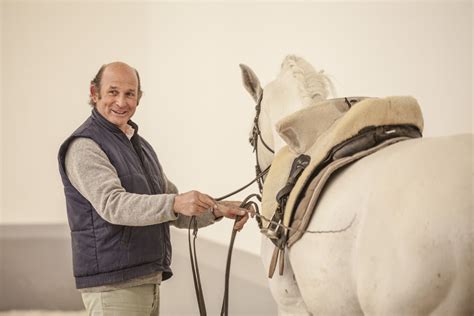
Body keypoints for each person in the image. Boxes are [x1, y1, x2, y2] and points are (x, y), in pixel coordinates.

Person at [57, 61, 250, 315]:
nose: (122, 102)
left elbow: (171, 203)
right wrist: (174, 203)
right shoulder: (85, 146)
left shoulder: (140, 146)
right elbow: (114, 205)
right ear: (94, 93)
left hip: (147, 279)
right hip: (113, 287)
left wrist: (217, 209)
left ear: (139, 98)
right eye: (113, 92)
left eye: (130, 94)